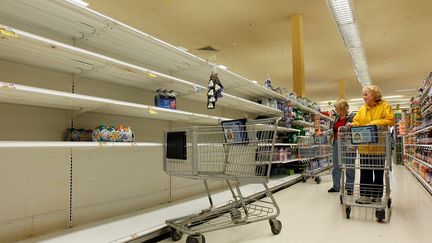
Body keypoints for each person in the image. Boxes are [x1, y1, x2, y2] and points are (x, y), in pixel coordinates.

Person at [348, 85, 394, 204]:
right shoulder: (362, 109)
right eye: (363, 95)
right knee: (365, 171)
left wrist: (373, 123)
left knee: (378, 172)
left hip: (379, 147)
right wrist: (353, 124)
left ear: (374, 94)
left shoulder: (385, 106)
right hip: (364, 147)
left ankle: (377, 195)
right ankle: (365, 196)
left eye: (366, 94)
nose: (364, 97)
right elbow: (357, 120)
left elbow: (391, 120)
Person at [328, 99, 356, 193]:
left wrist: (351, 125)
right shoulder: (336, 118)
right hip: (337, 142)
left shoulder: (352, 116)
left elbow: (355, 128)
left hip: (348, 144)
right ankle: (336, 186)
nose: (335, 109)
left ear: (343, 108)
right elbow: (333, 130)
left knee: (350, 165)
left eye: (337, 108)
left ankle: (349, 187)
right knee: (336, 165)